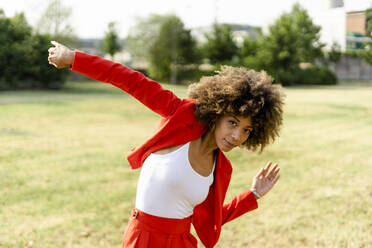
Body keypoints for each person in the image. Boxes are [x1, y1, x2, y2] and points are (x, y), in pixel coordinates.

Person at [48, 40, 284, 248]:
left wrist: (254, 194)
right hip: (142, 238)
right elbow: (131, 80)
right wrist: (74, 59)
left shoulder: (220, 169)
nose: (237, 136)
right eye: (232, 122)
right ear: (217, 112)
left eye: (246, 130)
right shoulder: (179, 114)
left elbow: (211, 217)